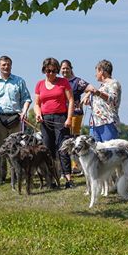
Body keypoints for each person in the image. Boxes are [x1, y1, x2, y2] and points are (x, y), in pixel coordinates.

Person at [34, 57, 74, 187]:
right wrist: (38, 114)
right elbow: (36, 103)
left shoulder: (63, 82)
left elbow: (71, 101)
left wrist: (69, 118)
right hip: (45, 120)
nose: (50, 73)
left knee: (63, 148)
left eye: (53, 71)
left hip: (61, 118)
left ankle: (68, 179)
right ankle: (51, 180)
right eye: (47, 71)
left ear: (57, 70)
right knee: (48, 150)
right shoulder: (39, 84)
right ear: (44, 70)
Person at [0, 55, 32, 145]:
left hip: (16, 118)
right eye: (3, 65)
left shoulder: (19, 81)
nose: (6, 67)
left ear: (11, 66)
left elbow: (27, 99)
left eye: (8, 65)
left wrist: (24, 112)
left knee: (17, 148)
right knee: (1, 149)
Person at [83, 59, 122, 142]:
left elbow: (113, 100)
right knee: (95, 152)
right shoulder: (102, 87)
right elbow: (100, 104)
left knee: (108, 150)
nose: (95, 75)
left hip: (107, 123)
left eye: (96, 71)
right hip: (94, 124)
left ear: (101, 71)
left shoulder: (113, 83)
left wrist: (97, 93)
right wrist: (89, 101)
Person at [61, 60, 89, 137]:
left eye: (67, 68)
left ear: (71, 69)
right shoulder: (60, 82)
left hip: (75, 114)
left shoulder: (77, 81)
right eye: (63, 68)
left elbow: (92, 89)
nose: (65, 70)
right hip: (62, 115)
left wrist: (86, 96)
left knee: (74, 138)